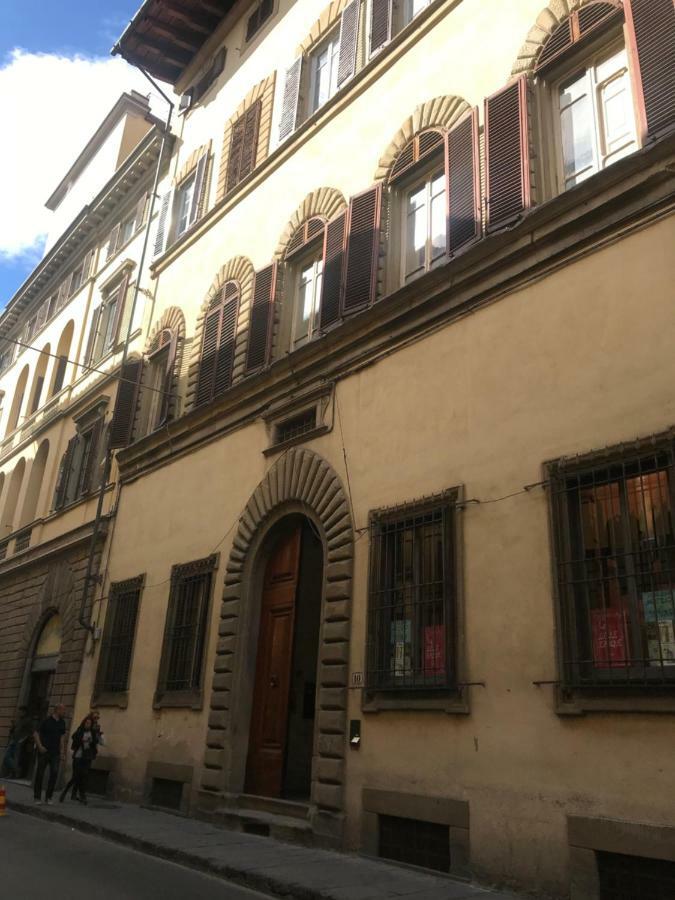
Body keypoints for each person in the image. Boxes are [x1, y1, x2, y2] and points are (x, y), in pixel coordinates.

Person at [59, 715, 99, 805]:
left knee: (84, 776)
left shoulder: (92, 732)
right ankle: (65, 791)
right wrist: (82, 740)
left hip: (87, 757)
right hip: (78, 756)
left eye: (89, 723)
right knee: (76, 776)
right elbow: (74, 739)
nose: (88, 724)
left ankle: (82, 795)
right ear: (84, 723)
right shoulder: (80, 731)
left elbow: (95, 744)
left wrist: (93, 741)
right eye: (86, 723)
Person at [33, 704, 67, 804]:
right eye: (63, 710)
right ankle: (37, 797)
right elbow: (35, 733)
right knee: (40, 774)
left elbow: (62, 738)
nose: (65, 712)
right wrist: (40, 746)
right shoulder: (46, 721)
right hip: (44, 751)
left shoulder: (62, 722)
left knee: (54, 773)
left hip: (55, 752)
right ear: (57, 710)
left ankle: (49, 797)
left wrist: (62, 752)